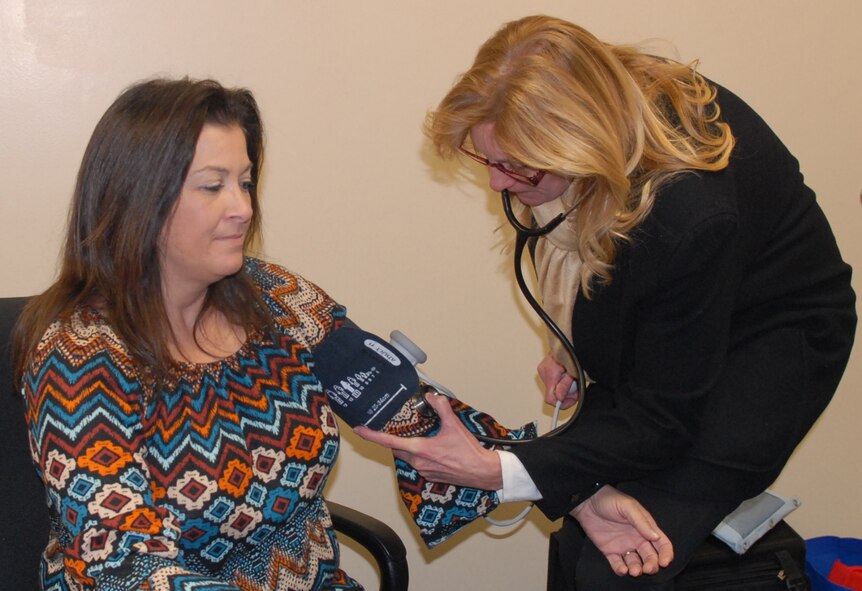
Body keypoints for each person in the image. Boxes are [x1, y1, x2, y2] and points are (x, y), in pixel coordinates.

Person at [356, 15, 857, 589]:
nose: (496, 184)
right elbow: (582, 248)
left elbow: (661, 417)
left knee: (622, 564)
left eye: (515, 166)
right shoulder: (592, 115)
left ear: (577, 142)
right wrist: (569, 349)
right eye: (487, 159)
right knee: (580, 520)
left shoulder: (687, 214)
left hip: (773, 333)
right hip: (680, 292)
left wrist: (498, 471)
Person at [13, 78, 362, 591]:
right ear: (139, 201)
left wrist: (505, 466)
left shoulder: (277, 297)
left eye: (244, 181)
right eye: (212, 185)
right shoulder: (78, 355)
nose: (243, 206)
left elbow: (391, 395)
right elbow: (120, 558)